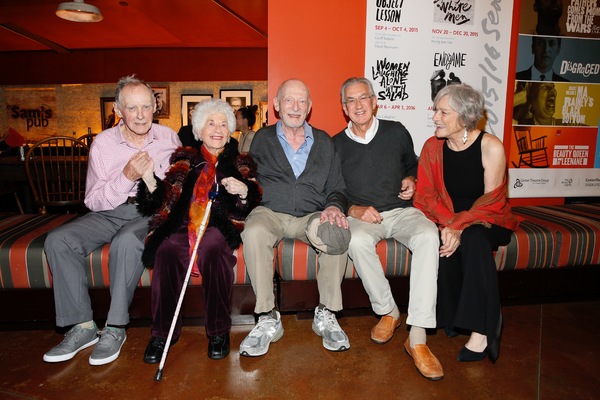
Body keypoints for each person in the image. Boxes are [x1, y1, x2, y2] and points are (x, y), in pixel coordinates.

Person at [42, 75, 181, 366]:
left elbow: (177, 189)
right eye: (132, 108)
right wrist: (125, 177)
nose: (140, 115)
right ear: (119, 111)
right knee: (59, 239)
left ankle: (115, 328)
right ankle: (82, 326)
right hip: (107, 212)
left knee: (127, 240)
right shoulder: (103, 144)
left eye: (146, 106)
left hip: (148, 212)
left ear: (155, 107)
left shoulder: (169, 138)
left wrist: (156, 189)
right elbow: (92, 200)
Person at [333, 77, 443, 381]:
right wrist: (353, 209)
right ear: (344, 108)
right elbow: (331, 189)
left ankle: (417, 336)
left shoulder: (396, 131)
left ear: (374, 101)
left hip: (400, 211)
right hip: (364, 216)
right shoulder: (335, 144)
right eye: (351, 101)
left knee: (428, 234)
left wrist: (412, 180)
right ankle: (388, 311)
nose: (358, 105)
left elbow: (412, 165)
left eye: (363, 98)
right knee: (354, 240)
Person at [136, 99, 260, 362]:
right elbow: (164, 197)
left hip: (217, 224)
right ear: (199, 129)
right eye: (211, 124)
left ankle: (218, 331)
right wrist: (148, 179)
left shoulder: (240, 163)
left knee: (215, 249)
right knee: (166, 250)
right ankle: (162, 334)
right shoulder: (185, 160)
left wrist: (243, 192)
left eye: (224, 124)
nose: (217, 129)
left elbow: (247, 205)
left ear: (230, 130)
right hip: (183, 223)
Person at [239, 79, 351, 357]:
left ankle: (326, 313)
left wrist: (335, 206)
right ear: (277, 105)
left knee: (336, 232)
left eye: (302, 101)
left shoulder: (324, 141)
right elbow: (248, 178)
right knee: (253, 232)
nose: (295, 107)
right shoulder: (261, 139)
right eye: (289, 100)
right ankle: (267, 316)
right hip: (270, 212)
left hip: (311, 214)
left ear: (310, 107)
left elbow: (337, 186)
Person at [414, 83, 520, 364]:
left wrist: (458, 226)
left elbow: (491, 202)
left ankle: (483, 328)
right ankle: (452, 317)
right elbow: (425, 194)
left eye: (443, 112)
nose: (435, 117)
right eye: (435, 110)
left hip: (487, 219)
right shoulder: (431, 147)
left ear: (465, 115)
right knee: (441, 240)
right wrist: (450, 225)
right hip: (450, 219)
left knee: (472, 239)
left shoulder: (490, 146)